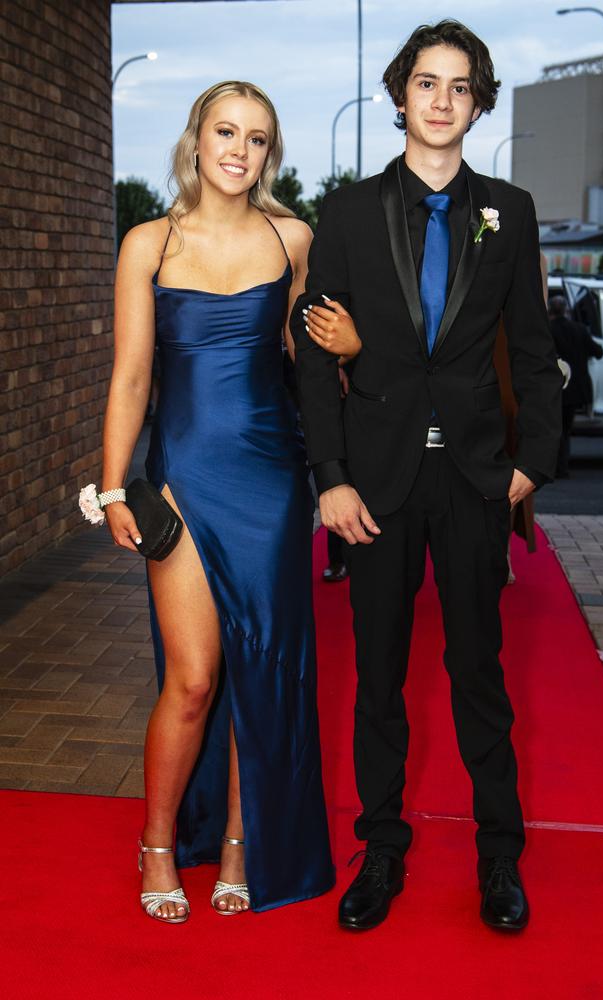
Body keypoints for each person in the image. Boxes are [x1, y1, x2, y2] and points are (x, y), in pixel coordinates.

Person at [292, 20, 562, 932]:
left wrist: (534, 461)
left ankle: (499, 861)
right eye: (426, 83)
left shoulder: (511, 211)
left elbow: (532, 348)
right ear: (399, 93)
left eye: (460, 87)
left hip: (478, 480)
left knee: (479, 673)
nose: (442, 101)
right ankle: (382, 852)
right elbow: (309, 348)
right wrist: (328, 473)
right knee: (378, 678)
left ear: (477, 103)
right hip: (375, 481)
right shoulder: (349, 212)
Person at [101, 81, 334, 923]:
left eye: (259, 138)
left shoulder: (293, 238)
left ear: (271, 154)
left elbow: (308, 362)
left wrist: (350, 354)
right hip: (183, 480)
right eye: (226, 131)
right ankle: (158, 844)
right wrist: (111, 484)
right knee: (195, 679)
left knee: (261, 672)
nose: (240, 150)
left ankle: (242, 844)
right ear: (197, 139)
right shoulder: (148, 244)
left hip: (272, 480)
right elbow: (131, 375)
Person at [548, 294, 603, 477]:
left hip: (553, 387)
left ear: (550, 310)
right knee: (566, 427)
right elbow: (598, 352)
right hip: (575, 388)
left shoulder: (547, 329)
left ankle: (553, 465)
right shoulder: (579, 329)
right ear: (566, 310)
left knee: (552, 427)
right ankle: (562, 466)